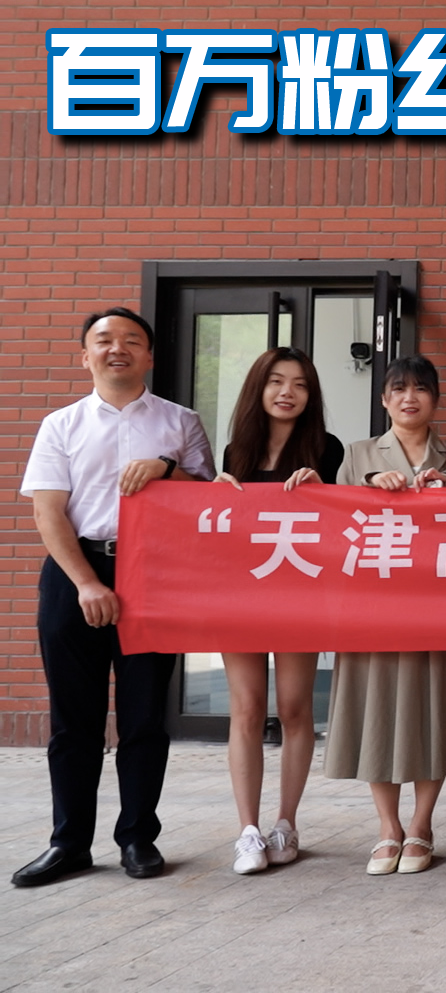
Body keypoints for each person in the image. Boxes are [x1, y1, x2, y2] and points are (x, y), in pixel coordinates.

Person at [14, 308, 213, 888]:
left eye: (131, 340)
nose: (117, 348)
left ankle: (138, 838)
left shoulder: (181, 421)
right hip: (74, 573)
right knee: (72, 720)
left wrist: (166, 468)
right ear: (85, 356)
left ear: (149, 355)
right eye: (104, 340)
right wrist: (87, 583)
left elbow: (207, 496)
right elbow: (48, 512)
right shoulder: (60, 425)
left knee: (144, 717)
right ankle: (69, 843)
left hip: (153, 575)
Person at [326, 356, 446, 875]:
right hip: (375, 605)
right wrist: (373, 483)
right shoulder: (357, 454)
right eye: (398, 389)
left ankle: (421, 824)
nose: (409, 398)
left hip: (440, 604)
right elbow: (337, 521)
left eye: (420, 388)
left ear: (435, 398)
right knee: (376, 707)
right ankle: (387, 827)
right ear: (384, 399)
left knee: (432, 707)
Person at [210, 347, 345, 874]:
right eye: (276, 381)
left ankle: (286, 823)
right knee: (245, 709)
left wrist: (322, 490)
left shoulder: (326, 448)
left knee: (293, 708)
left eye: (300, 384)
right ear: (258, 389)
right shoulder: (234, 452)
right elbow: (225, 524)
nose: (287, 392)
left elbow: (341, 520)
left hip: (299, 594)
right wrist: (214, 495)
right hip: (241, 594)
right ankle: (247, 831)